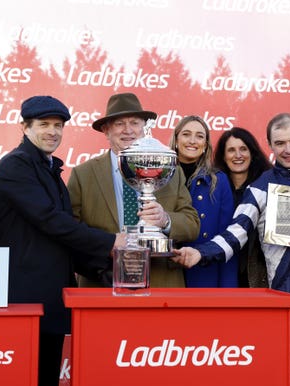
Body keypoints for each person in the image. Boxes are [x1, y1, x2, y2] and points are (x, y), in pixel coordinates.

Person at [0, 95, 126, 386]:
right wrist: (111, 243)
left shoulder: (47, 167)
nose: (53, 131)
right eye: (44, 125)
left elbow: (61, 232)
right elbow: (51, 222)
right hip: (23, 298)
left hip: (47, 295)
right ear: (24, 127)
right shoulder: (15, 167)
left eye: (58, 125)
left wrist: (102, 268)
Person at [172, 113, 290, 301]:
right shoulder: (259, 188)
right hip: (287, 294)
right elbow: (234, 235)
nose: (288, 149)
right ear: (270, 144)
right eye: (280, 143)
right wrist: (200, 253)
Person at [67, 92, 199, 287]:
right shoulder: (83, 175)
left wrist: (165, 220)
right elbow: (71, 231)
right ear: (106, 130)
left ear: (144, 128)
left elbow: (192, 223)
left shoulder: (170, 170)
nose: (128, 130)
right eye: (119, 123)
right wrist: (108, 246)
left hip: (162, 284)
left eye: (135, 123)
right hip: (103, 283)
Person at [169, 115, 237, 287]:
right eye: (186, 134)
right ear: (176, 139)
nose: (192, 141)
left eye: (199, 136)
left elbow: (226, 238)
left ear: (205, 145)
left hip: (203, 275)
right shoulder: (158, 175)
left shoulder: (219, 181)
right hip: (164, 273)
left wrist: (227, 289)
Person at [214, 127, 271, 287]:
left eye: (243, 149)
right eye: (231, 150)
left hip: (257, 276)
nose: (238, 155)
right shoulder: (214, 191)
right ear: (223, 157)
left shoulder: (266, 188)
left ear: (252, 154)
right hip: (221, 270)